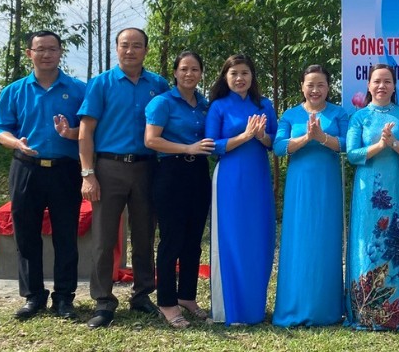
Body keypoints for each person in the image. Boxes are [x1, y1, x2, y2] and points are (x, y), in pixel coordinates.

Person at [78, 27, 169, 329]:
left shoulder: (158, 85)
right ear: (116, 48)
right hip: (108, 168)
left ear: (146, 50)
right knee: (104, 238)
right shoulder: (100, 84)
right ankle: (103, 301)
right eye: (125, 45)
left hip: (146, 168)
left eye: (137, 46)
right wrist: (88, 173)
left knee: (144, 234)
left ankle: (142, 295)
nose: (130, 51)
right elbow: (86, 132)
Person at [0, 30, 86, 320]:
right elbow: (1, 129)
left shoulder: (79, 89)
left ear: (60, 53)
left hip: (65, 170)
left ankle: (64, 298)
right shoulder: (15, 90)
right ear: (29, 53)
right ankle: (33, 296)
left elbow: (91, 130)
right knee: (26, 233)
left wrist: (71, 133)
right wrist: (15, 142)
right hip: (26, 168)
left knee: (66, 235)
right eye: (40, 49)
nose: (47, 54)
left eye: (52, 49)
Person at [272, 64, 348, 327]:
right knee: (298, 240)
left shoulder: (339, 113)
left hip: (327, 185)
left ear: (329, 88)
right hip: (299, 186)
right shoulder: (291, 115)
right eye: (310, 85)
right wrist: (307, 137)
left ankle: (326, 309)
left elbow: (349, 144)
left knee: (325, 240)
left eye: (321, 85)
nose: (315, 90)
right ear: (302, 87)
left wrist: (322, 137)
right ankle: (295, 306)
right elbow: (279, 147)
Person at [143, 51, 214, 329]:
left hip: (198, 173)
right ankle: (167, 302)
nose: (189, 74)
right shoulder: (162, 102)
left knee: (193, 240)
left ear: (200, 74)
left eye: (195, 69)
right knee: (171, 239)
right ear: (175, 72)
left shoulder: (204, 104)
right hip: (171, 172)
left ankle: (187, 296)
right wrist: (187, 148)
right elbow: (151, 140)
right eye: (184, 69)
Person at [206, 54, 277, 325]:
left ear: (252, 77)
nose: (239, 78)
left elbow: (274, 142)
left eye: (245, 73)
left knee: (258, 238)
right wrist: (244, 137)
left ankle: (254, 309)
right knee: (232, 239)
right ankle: (230, 310)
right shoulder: (219, 107)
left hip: (258, 179)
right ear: (225, 77)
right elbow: (212, 146)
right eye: (234, 73)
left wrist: (261, 136)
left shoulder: (264, 105)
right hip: (230, 180)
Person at [345, 63, 399, 331]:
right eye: (377, 81)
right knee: (368, 243)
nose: (382, 86)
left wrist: (396, 144)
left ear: (395, 86)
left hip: (398, 190)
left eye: (387, 81)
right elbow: (352, 154)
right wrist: (379, 145)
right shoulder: (359, 118)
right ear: (368, 85)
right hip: (368, 192)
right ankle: (365, 315)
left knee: (398, 246)